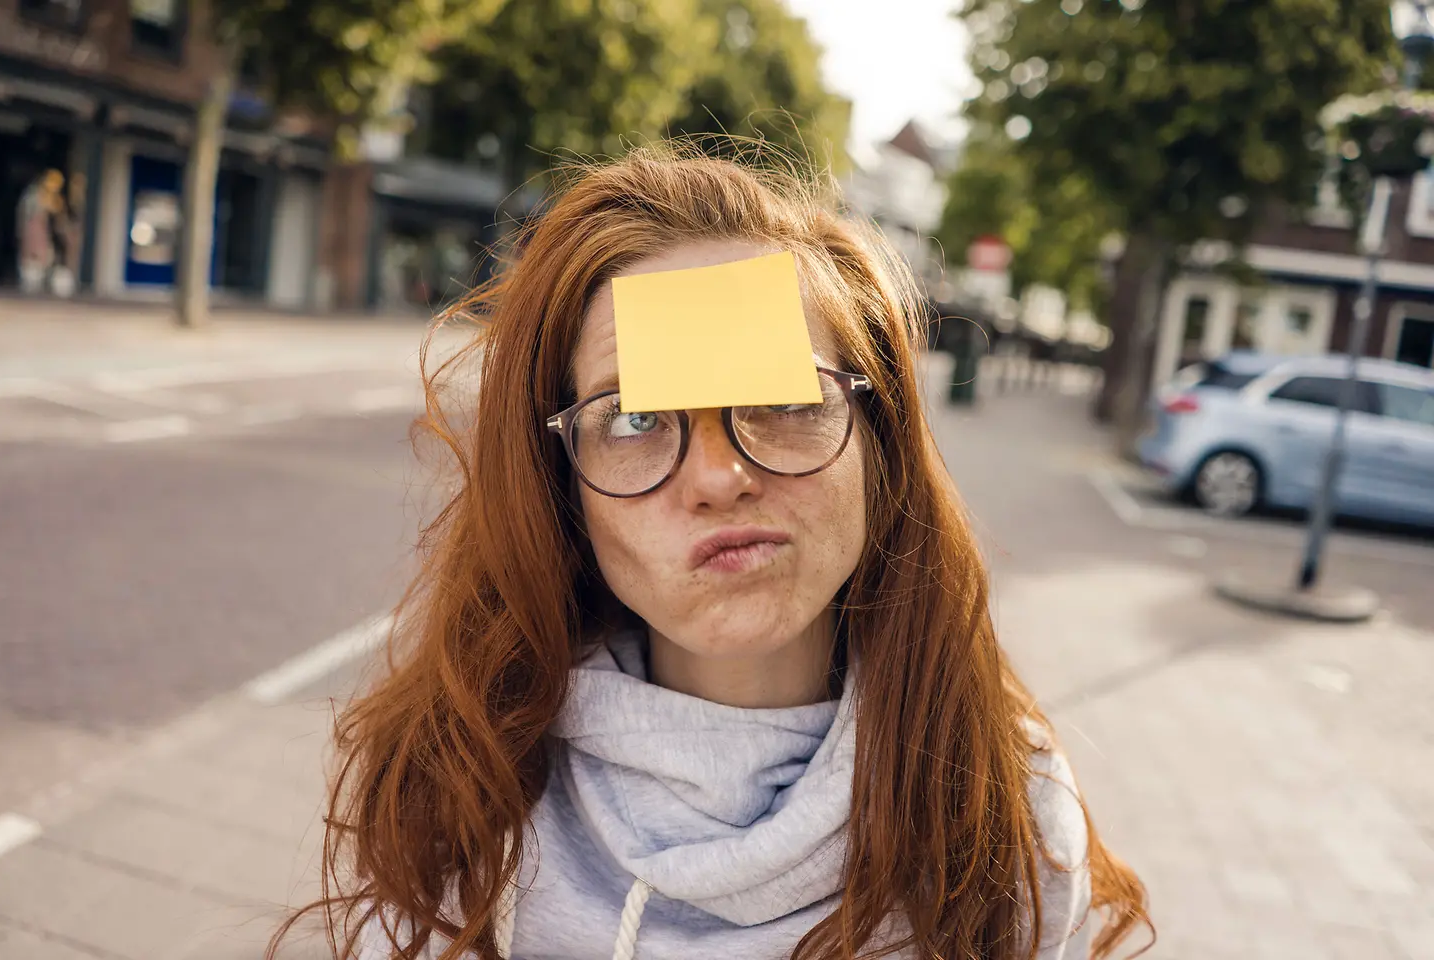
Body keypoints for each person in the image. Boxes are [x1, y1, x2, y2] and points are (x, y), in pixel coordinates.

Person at [281, 144, 1152, 960]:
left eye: (783, 398)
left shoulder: (1012, 811)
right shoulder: (456, 793)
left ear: (879, 445)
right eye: (636, 419)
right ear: (560, 490)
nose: (718, 475)